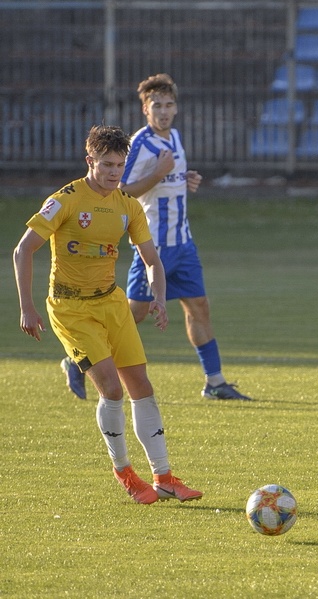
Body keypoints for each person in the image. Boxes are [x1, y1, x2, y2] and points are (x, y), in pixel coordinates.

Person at [14, 125, 203, 505]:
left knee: (142, 388)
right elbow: (23, 251)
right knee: (112, 389)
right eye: (107, 164)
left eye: (120, 165)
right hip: (70, 309)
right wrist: (27, 307)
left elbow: (152, 260)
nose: (114, 172)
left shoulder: (127, 205)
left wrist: (160, 299)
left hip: (111, 303)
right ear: (90, 161)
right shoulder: (65, 199)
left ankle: (164, 477)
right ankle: (126, 474)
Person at [60, 73, 251, 401]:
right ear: (145, 110)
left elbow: (166, 181)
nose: (163, 111)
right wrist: (159, 174)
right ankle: (77, 361)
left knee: (199, 307)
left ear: (176, 108)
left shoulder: (175, 137)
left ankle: (215, 382)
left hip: (183, 242)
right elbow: (120, 191)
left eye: (168, 104)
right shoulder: (140, 144)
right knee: (132, 315)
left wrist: (183, 178)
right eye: (156, 105)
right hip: (154, 246)